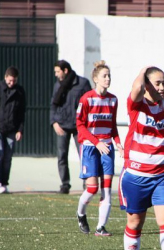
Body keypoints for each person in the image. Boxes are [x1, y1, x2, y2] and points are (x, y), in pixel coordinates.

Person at [119, 66, 164, 250]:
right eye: (157, 84)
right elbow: (136, 89)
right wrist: (144, 70)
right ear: (146, 85)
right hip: (137, 176)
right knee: (135, 224)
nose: (162, 87)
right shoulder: (136, 104)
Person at [75, 60, 123, 236]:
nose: (108, 79)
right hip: (90, 147)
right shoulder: (86, 99)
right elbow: (80, 126)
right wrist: (97, 142)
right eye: (104, 76)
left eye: (109, 76)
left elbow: (113, 126)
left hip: (107, 148)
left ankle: (100, 228)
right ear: (95, 78)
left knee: (107, 190)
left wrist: (117, 142)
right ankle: (81, 214)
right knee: (92, 189)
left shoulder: (113, 100)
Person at [50, 60, 91, 194]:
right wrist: (54, 123)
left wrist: (86, 124)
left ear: (65, 70)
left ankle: (87, 183)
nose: (56, 74)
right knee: (62, 156)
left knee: (84, 155)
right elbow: (53, 105)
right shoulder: (58, 85)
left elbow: (91, 103)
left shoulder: (83, 83)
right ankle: (65, 184)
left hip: (79, 127)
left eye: (58, 71)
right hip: (62, 125)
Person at [0, 66, 26, 194]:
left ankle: (4, 182)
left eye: (14, 81)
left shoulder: (20, 92)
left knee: (8, 157)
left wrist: (20, 130)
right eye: (9, 81)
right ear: (5, 77)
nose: (11, 83)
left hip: (12, 129)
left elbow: (21, 113)